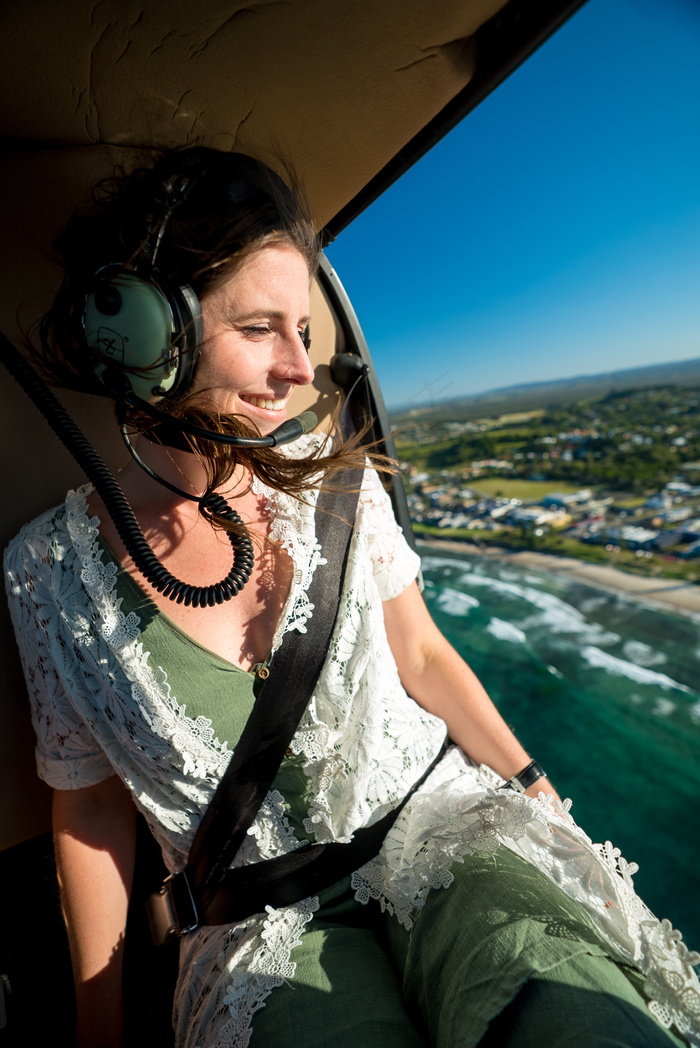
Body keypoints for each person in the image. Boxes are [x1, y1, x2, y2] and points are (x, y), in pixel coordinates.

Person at [4, 147, 699, 1048]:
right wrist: (97, 1023)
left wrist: (538, 789)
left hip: (443, 830)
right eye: (262, 328)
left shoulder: (335, 489)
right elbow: (90, 804)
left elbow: (422, 656)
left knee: (570, 1010)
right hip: (258, 919)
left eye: (305, 328)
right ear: (145, 335)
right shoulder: (47, 573)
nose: (300, 368)